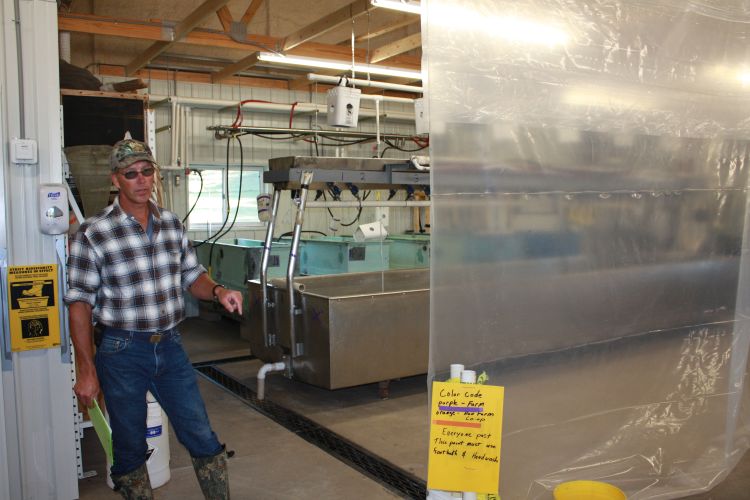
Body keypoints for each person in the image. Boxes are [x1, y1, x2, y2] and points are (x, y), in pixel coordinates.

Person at [65, 138, 243, 499]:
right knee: (130, 449)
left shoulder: (171, 224)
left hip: (171, 347)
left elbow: (192, 276)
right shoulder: (93, 232)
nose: (142, 180)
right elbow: (79, 304)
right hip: (121, 351)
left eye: (147, 171)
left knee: (201, 435)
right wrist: (86, 369)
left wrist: (218, 290)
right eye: (131, 174)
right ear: (116, 180)